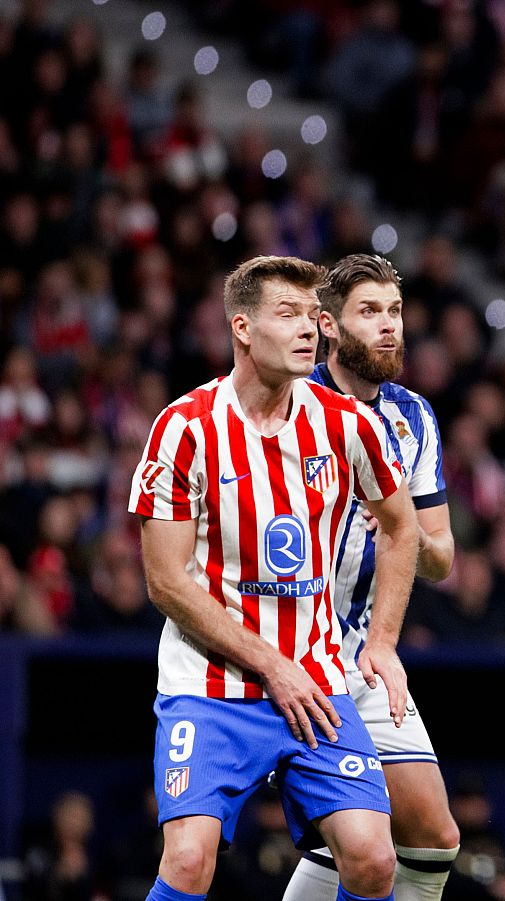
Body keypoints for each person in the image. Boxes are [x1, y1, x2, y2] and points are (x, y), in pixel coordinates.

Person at [130, 255, 419, 901]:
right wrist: (271, 665)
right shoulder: (185, 427)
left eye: (315, 317)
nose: (309, 331)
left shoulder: (347, 423)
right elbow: (165, 582)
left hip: (315, 684)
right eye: (287, 315)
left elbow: (402, 528)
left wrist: (383, 641)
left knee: (374, 858)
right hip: (211, 686)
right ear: (242, 327)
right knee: (187, 860)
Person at [284, 254, 460, 901]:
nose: (389, 327)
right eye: (369, 312)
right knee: (364, 844)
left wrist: (398, 519)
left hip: (363, 652)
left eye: (394, 311)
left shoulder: (413, 417)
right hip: (289, 654)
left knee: (433, 837)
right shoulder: (292, 404)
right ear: (328, 325)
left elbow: (442, 556)